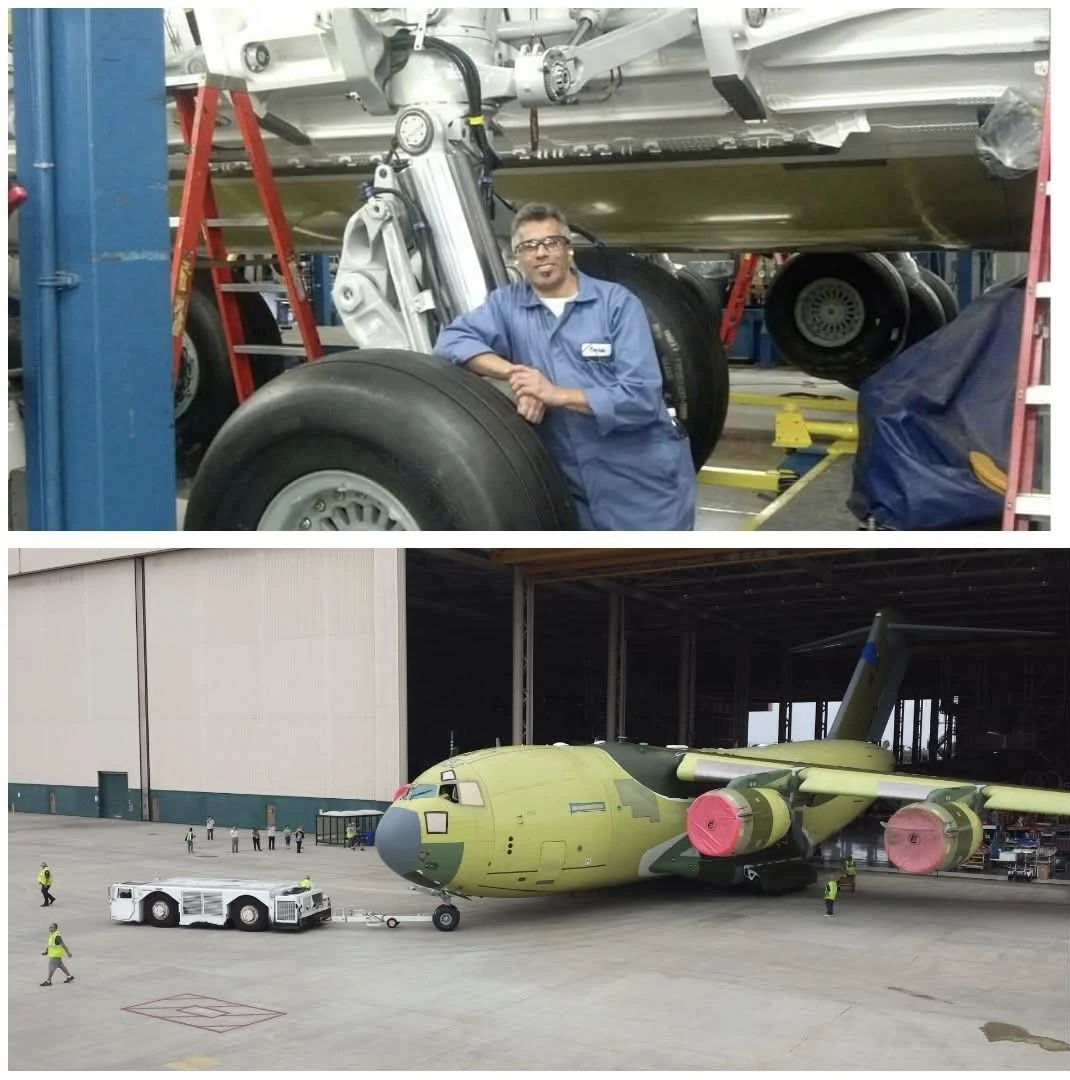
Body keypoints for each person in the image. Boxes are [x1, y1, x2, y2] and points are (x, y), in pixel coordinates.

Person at [433, 201, 695, 531]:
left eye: (551, 243)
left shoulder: (615, 304)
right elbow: (451, 341)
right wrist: (517, 375)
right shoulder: (508, 304)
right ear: (518, 257)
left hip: (640, 485)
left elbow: (641, 397)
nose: (541, 253)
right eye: (529, 246)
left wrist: (553, 394)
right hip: (572, 488)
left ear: (568, 250)